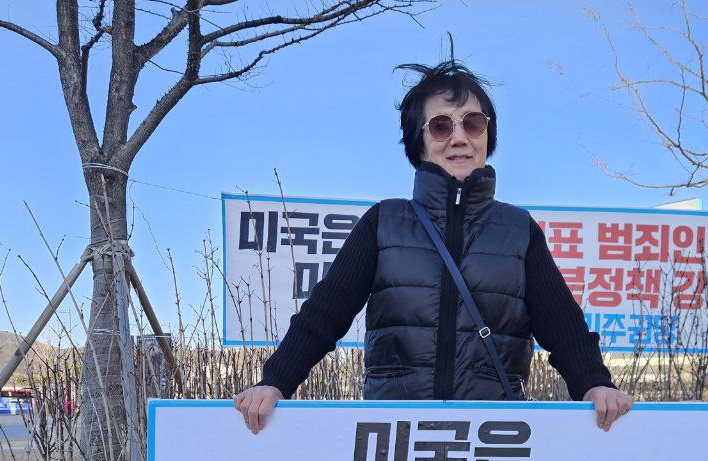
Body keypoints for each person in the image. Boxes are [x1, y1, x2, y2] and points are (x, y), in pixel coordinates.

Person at [233, 60, 633, 432]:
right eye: (441, 126)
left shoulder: (519, 229)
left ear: (487, 134)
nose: (459, 137)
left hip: (491, 436)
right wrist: (276, 381)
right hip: (395, 434)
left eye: (472, 123)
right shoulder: (383, 222)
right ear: (419, 141)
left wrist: (594, 383)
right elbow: (324, 313)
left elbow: (562, 323)